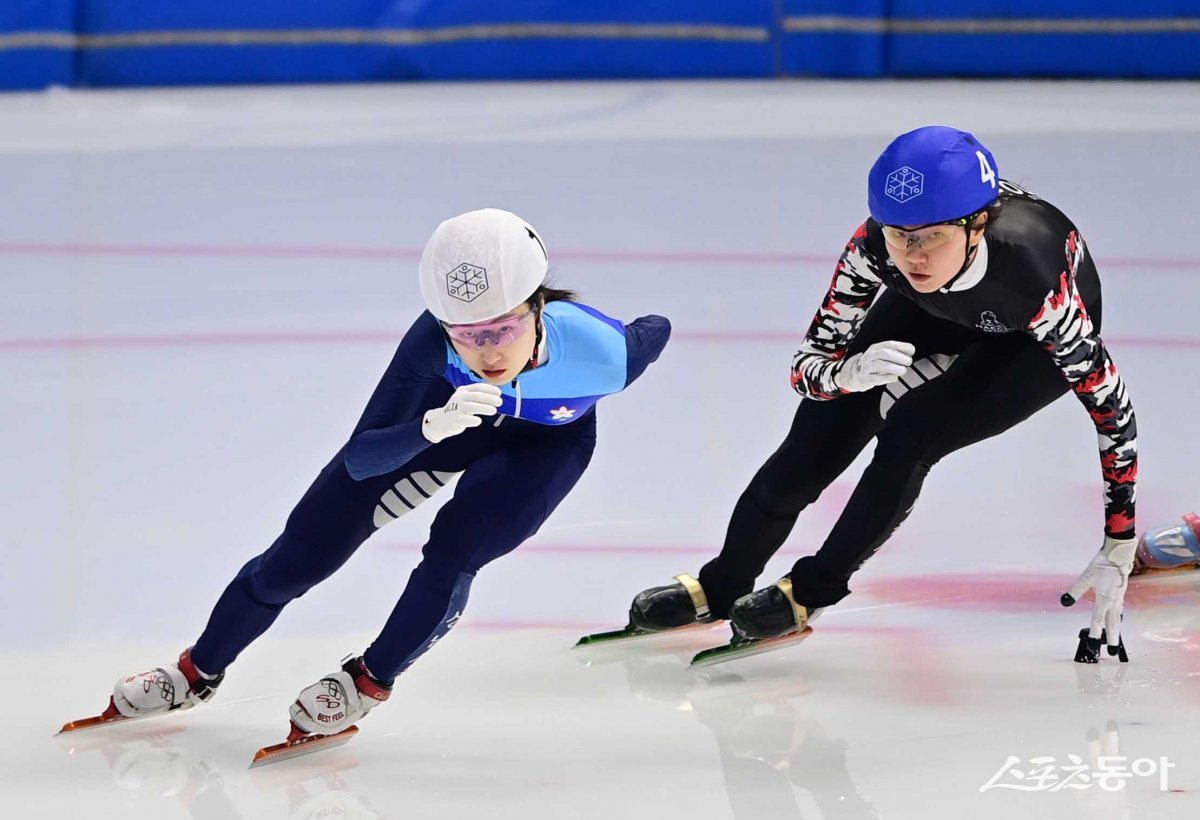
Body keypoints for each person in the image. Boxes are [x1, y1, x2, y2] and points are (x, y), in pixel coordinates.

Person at [107, 208, 671, 733]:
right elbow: (362, 458)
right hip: (445, 421)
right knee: (300, 555)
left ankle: (368, 681)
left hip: (545, 444)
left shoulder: (608, 353)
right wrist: (429, 427)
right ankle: (196, 671)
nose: (488, 353)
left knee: (455, 552)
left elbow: (657, 327)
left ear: (538, 306)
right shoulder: (431, 345)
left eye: (502, 329)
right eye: (467, 336)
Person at [627, 126, 1138, 662]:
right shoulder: (873, 248)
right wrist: (845, 376)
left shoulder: (1036, 279)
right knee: (817, 435)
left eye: (931, 237)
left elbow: (1113, 410)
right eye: (899, 235)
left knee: (911, 436)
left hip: (1027, 345)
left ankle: (811, 592)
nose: (913, 255)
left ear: (978, 225)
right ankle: (722, 584)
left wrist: (1119, 539)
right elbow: (807, 369)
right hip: (930, 308)